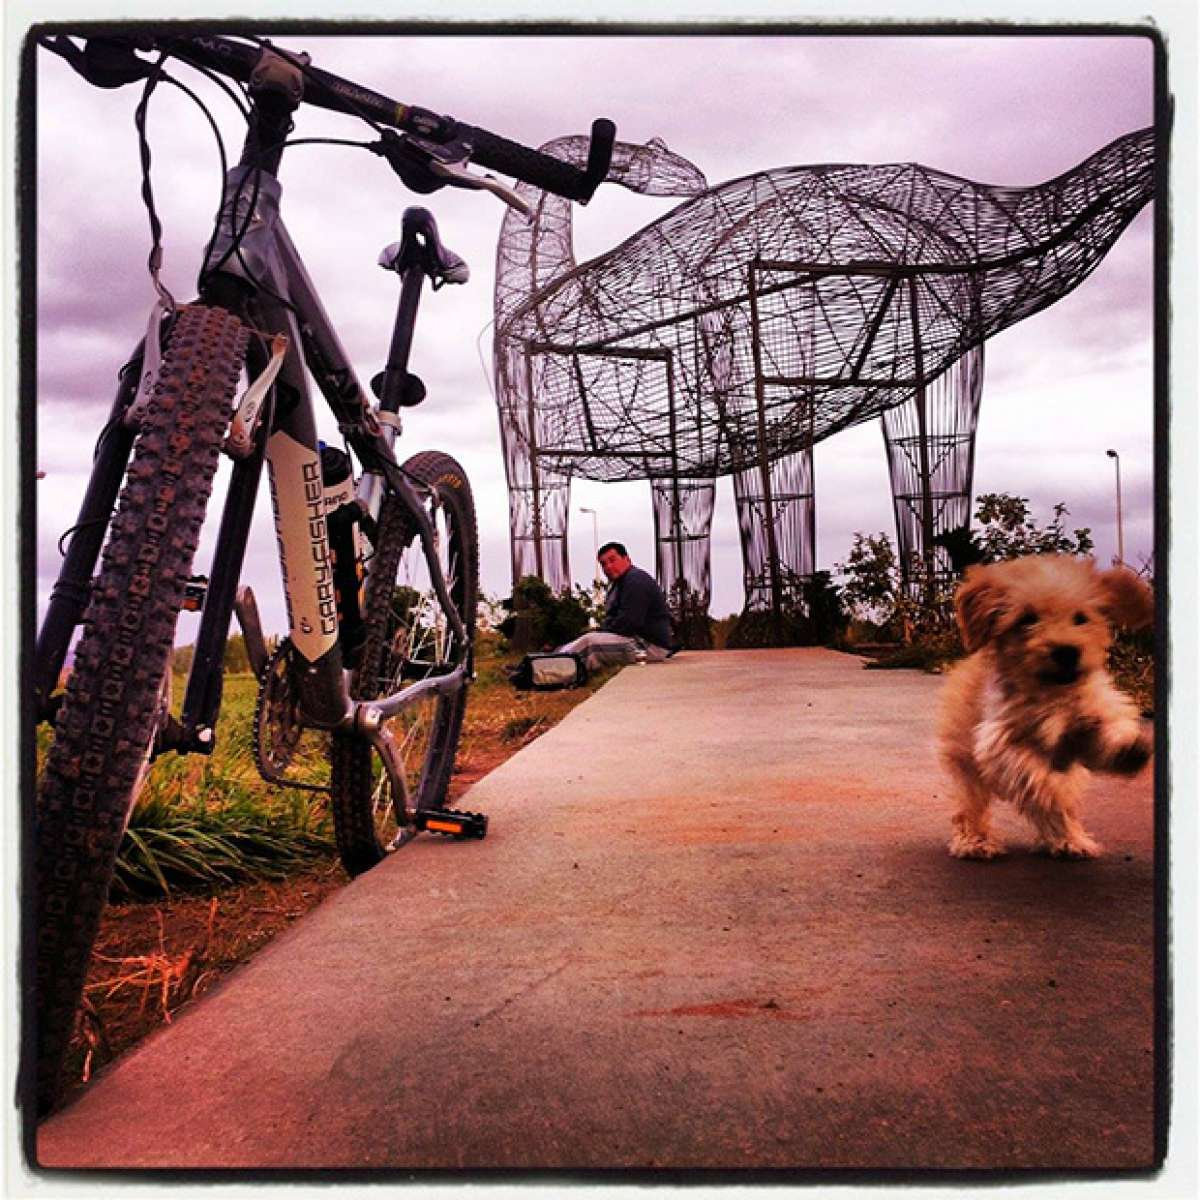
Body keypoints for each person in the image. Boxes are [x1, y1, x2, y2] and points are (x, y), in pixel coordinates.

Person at [558, 542, 675, 672]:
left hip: (650, 647)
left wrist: (602, 632)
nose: (608, 566)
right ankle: (552, 660)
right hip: (637, 641)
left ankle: (549, 671)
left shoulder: (635, 580)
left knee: (590, 643)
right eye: (603, 564)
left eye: (612, 560)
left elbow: (629, 623)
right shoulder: (619, 583)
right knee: (589, 638)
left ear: (627, 559)